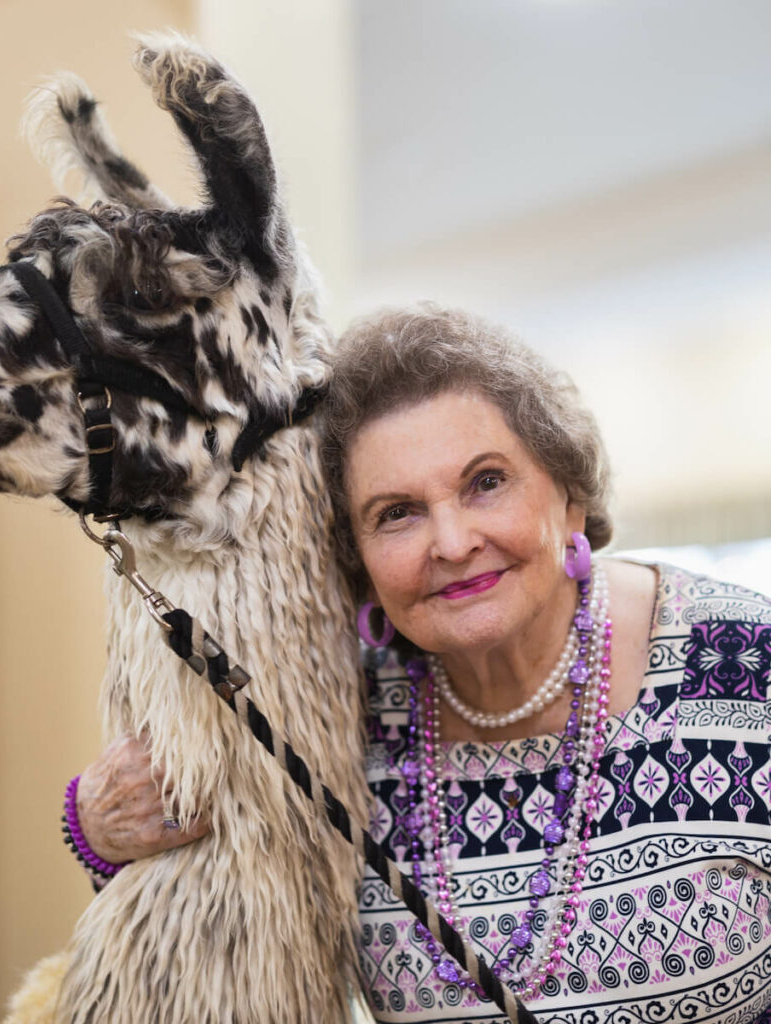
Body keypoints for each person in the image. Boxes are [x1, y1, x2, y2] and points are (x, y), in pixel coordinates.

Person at [70, 303, 771, 1023]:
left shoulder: (751, 662)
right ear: (359, 561)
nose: (453, 540)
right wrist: (94, 832)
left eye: (487, 482)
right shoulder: (339, 712)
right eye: (396, 512)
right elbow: (210, 916)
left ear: (568, 497)